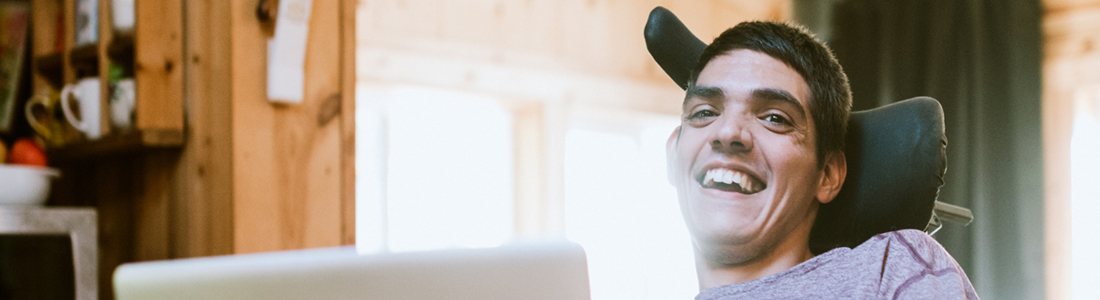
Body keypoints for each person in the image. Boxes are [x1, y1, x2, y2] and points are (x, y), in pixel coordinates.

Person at [663, 20, 979, 299]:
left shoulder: (889, 268)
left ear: (827, 174)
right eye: (704, 112)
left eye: (774, 118)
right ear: (673, 153)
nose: (728, 132)